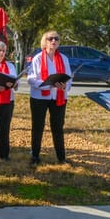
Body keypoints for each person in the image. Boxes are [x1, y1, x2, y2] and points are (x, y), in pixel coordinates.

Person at [26, 31, 73, 164]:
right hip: (39, 98)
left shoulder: (64, 58)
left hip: (58, 96)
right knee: (38, 126)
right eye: (50, 39)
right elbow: (31, 79)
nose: (53, 41)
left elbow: (69, 77)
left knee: (58, 127)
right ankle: (35, 156)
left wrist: (64, 86)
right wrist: (48, 85)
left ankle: (61, 158)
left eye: (56, 39)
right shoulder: (37, 58)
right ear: (44, 41)